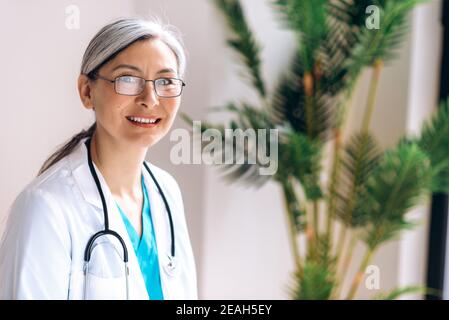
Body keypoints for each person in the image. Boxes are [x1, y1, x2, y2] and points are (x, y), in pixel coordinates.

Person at [0, 17, 197, 300]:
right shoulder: (45, 207)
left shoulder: (167, 191)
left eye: (166, 81)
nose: (150, 98)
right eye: (128, 80)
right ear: (87, 91)